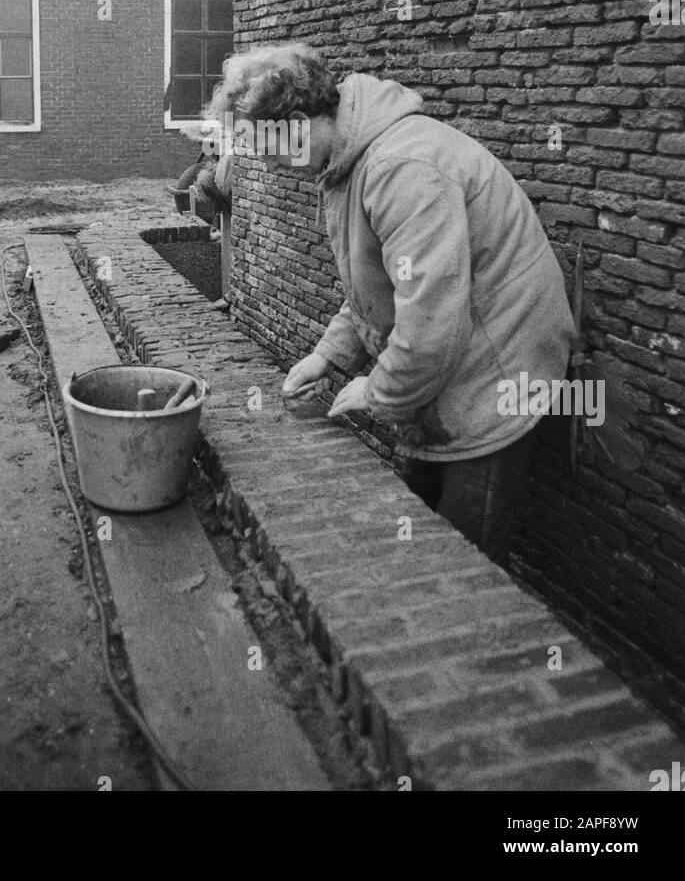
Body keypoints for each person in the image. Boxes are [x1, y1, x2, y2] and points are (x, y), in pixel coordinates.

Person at [202, 41, 576, 561]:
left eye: (271, 149)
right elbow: (373, 290)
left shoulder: (402, 167)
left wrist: (379, 392)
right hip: (456, 361)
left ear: (300, 119)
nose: (273, 165)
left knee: (462, 555)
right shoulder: (345, 164)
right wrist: (327, 356)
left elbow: (432, 317)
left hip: (498, 371)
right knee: (421, 511)